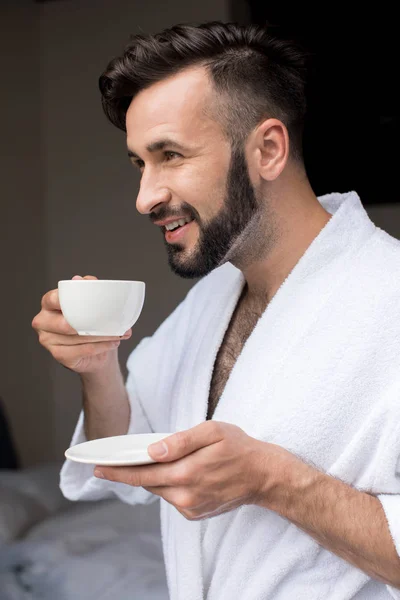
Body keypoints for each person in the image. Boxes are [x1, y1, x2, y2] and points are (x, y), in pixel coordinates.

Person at [31, 21, 400, 600]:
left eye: (170, 156)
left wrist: (274, 480)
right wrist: (97, 365)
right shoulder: (211, 300)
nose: (144, 197)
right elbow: (127, 448)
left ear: (268, 150)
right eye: (139, 164)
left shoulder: (390, 298)